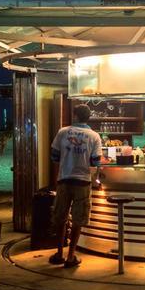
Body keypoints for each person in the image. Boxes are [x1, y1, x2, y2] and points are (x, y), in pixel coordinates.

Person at [49, 104, 102, 269]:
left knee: (61, 218)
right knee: (78, 220)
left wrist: (68, 159)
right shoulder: (94, 136)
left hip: (64, 180)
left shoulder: (63, 132)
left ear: (75, 115)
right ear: (88, 117)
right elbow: (95, 162)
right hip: (83, 182)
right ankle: (71, 256)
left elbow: (54, 156)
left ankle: (59, 253)